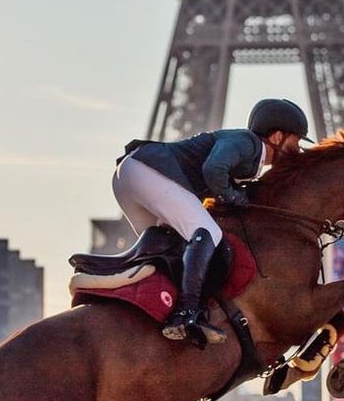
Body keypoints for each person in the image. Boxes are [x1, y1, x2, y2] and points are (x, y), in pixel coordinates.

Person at [112, 98, 310, 347]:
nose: (298, 148)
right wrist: (233, 196)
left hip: (128, 175)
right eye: (297, 140)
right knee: (206, 232)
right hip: (150, 170)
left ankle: (155, 307)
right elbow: (214, 168)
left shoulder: (251, 157)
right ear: (278, 136)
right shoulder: (248, 143)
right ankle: (187, 313)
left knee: (167, 247)